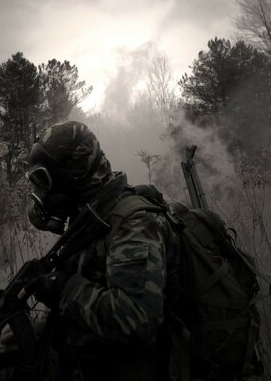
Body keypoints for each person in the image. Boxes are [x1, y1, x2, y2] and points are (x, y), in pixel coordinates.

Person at [18, 120, 180, 381]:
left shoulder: (134, 223)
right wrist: (40, 331)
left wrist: (62, 288)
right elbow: (92, 302)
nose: (41, 194)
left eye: (44, 180)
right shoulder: (91, 220)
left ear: (75, 173)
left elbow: (134, 321)